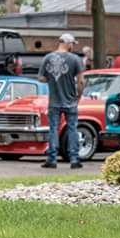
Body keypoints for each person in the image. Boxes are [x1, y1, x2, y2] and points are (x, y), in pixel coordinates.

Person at [38, 34, 86, 169]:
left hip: (54, 101)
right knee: (72, 128)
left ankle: (52, 159)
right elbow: (81, 81)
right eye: (72, 44)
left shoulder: (47, 58)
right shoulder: (75, 59)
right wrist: (79, 96)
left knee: (53, 129)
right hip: (71, 100)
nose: (73, 47)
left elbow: (41, 78)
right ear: (68, 43)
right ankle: (74, 159)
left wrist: (52, 81)